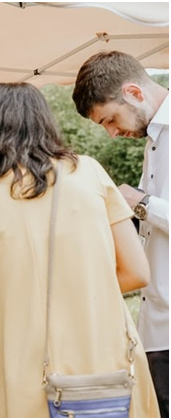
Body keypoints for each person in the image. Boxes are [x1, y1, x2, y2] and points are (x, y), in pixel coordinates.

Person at [0, 82, 159, 417]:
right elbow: (137, 272)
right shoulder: (88, 172)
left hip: (18, 370)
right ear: (43, 122)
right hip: (104, 368)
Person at [72, 50, 168, 417]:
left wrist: (140, 201)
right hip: (154, 323)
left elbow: (147, 206)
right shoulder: (153, 141)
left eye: (110, 119)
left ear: (134, 92)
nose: (113, 133)